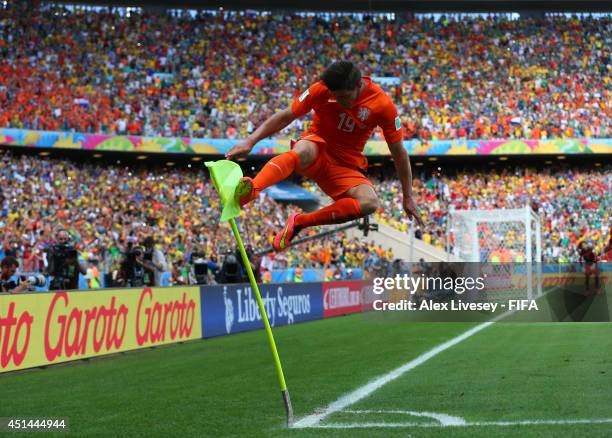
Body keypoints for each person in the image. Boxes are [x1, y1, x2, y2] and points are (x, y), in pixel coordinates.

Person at [226, 61, 423, 252]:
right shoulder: (321, 89)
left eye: (344, 96)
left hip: (345, 164)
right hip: (316, 146)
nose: (339, 101)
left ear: (358, 85)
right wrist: (250, 141)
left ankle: (300, 221)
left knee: (370, 202)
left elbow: (399, 153)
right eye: (335, 96)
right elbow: (287, 115)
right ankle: (253, 190)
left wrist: (407, 196)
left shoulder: (382, 105)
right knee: (302, 150)